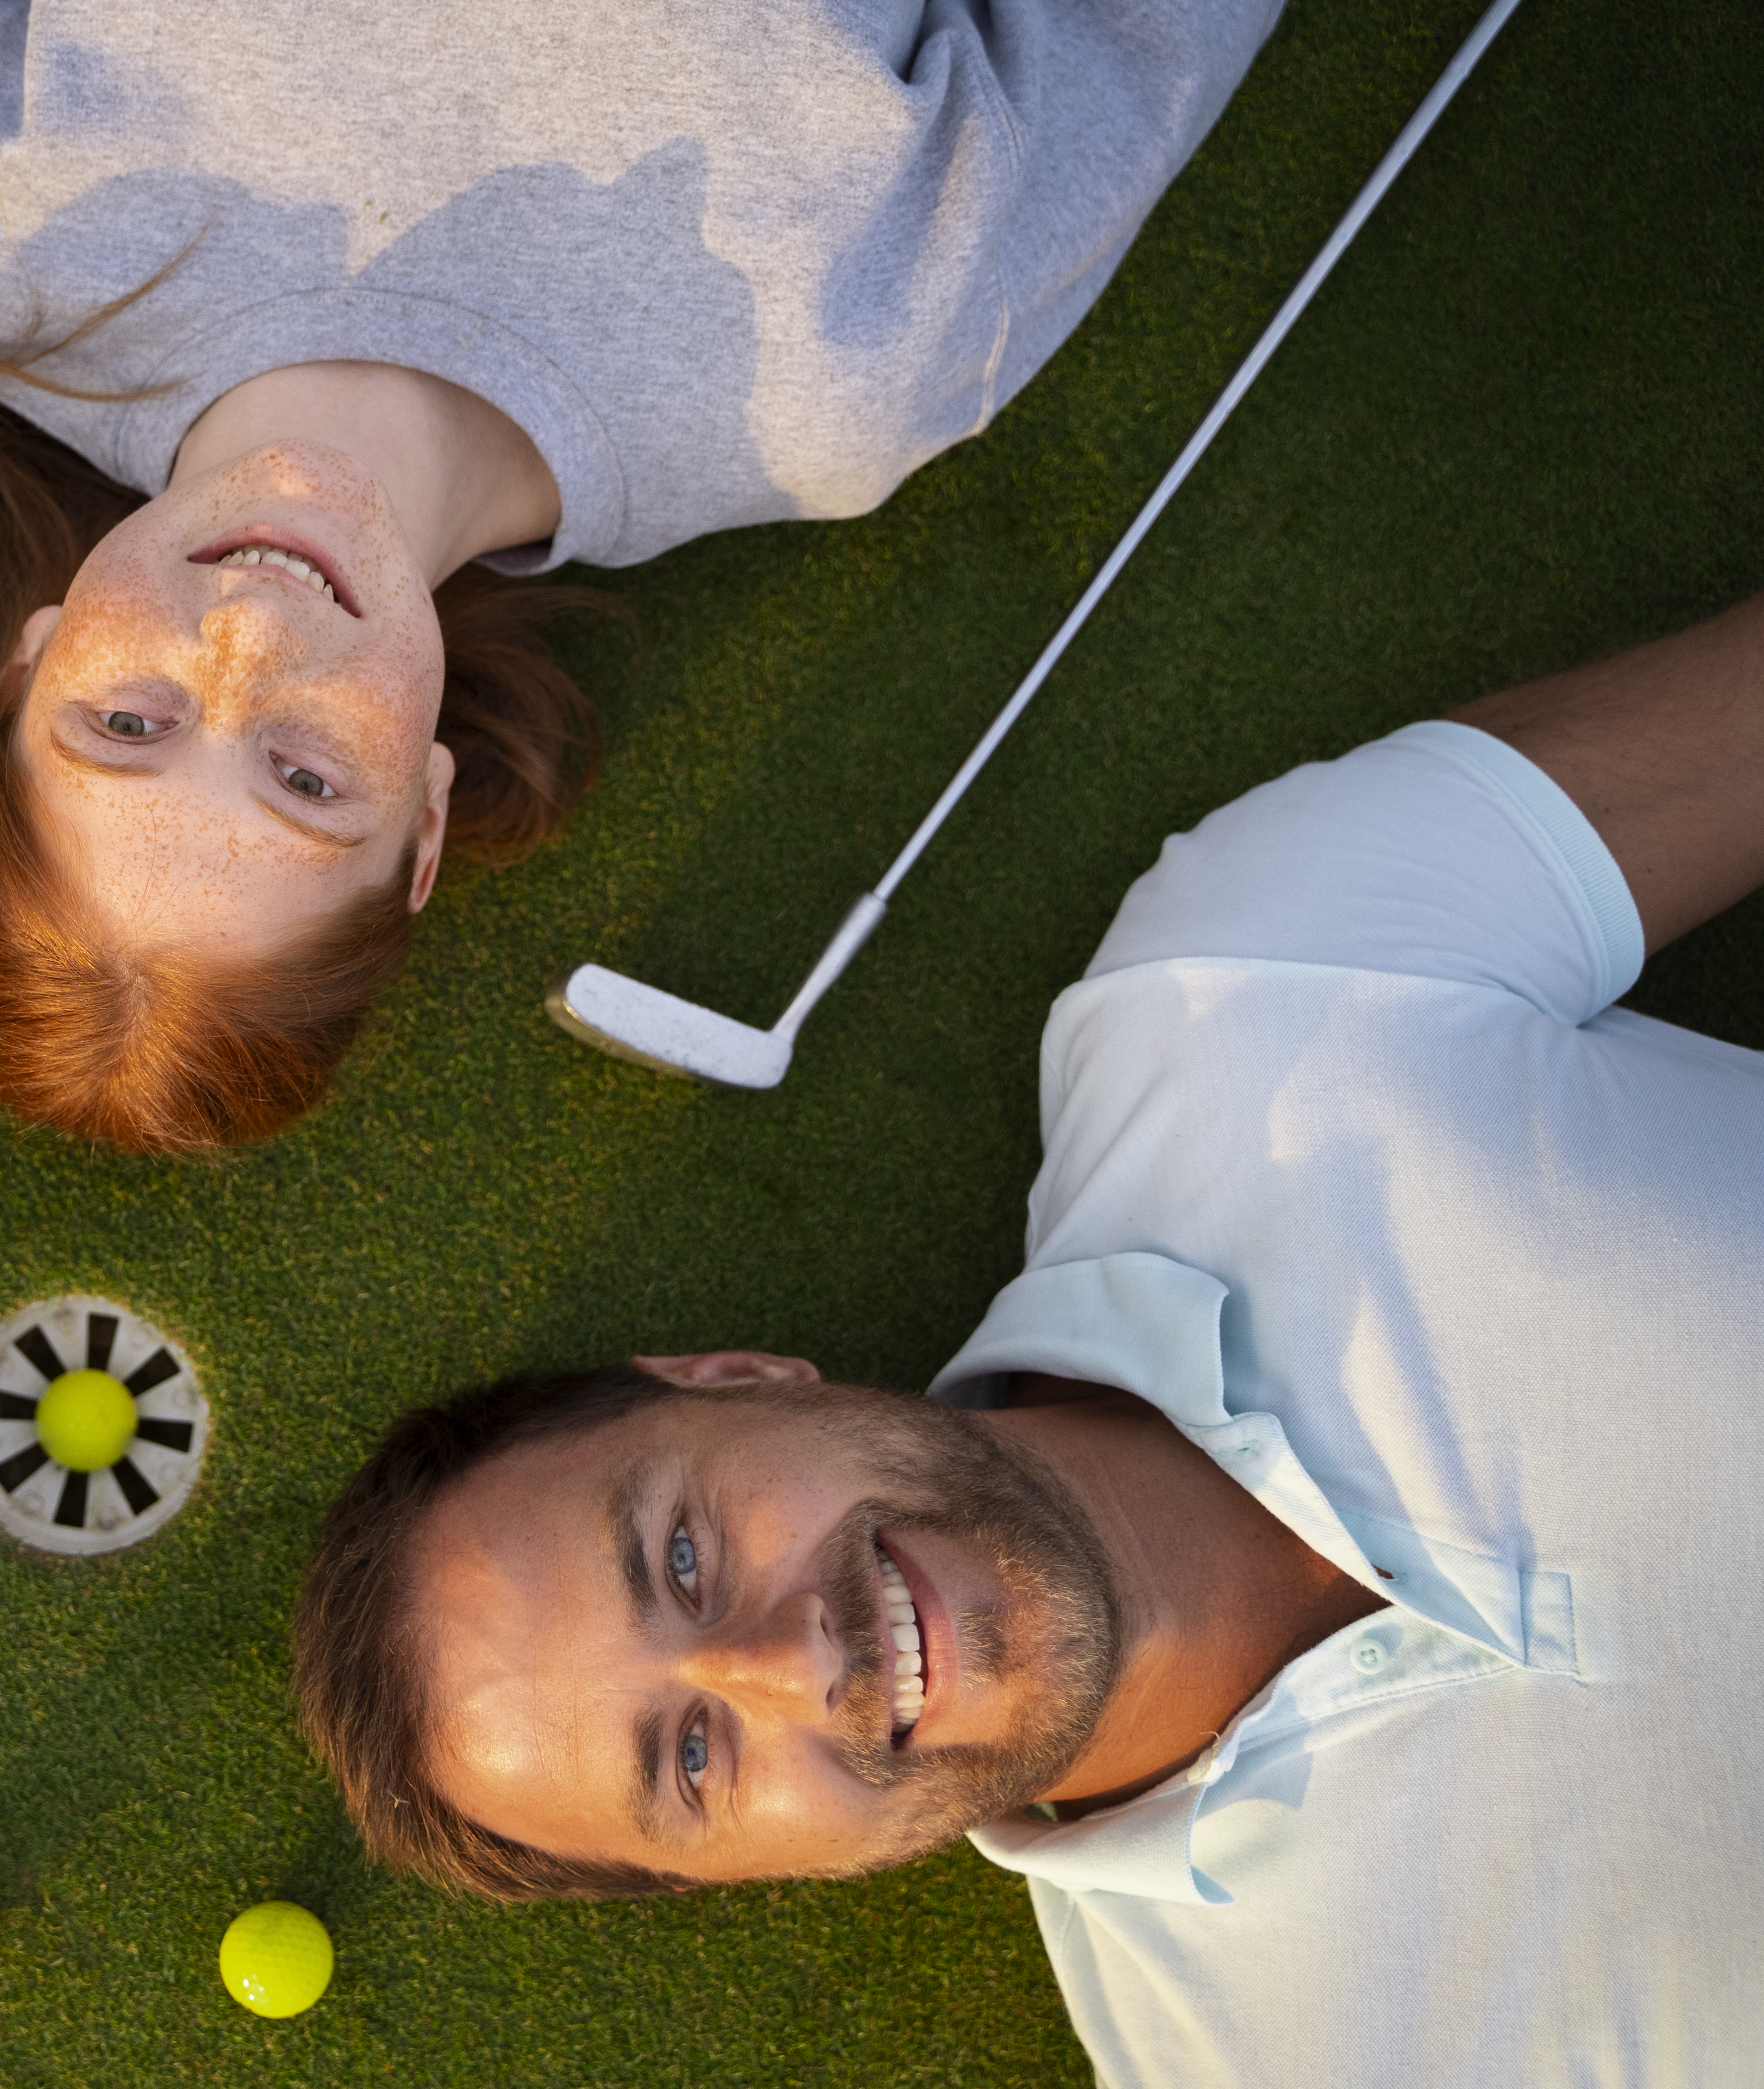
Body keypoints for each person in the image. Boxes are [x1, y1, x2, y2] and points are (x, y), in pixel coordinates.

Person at [291, 593, 1764, 2082]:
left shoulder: (1248, 992)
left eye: (683, 1558)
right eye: (690, 1757)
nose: (788, 1660)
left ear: (734, 1378)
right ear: (747, 1879)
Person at [0, 0, 1288, 1151]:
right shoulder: (841, 382)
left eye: (127, 719)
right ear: (425, 826)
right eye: (305, 776)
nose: (245, 639)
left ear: (18, 668)